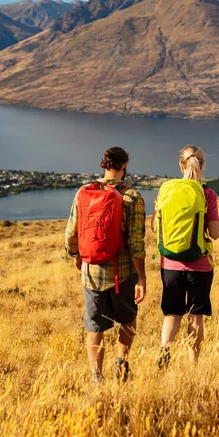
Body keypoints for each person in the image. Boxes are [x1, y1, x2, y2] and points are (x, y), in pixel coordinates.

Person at [65, 147, 146, 383]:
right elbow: (136, 244)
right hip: (122, 276)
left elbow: (72, 231)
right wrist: (141, 277)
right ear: (124, 167)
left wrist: (76, 255)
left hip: (91, 273)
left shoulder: (84, 192)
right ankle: (121, 364)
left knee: (94, 326)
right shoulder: (132, 198)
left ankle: (96, 376)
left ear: (104, 165)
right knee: (128, 321)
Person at [152, 145, 219, 366]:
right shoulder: (207, 194)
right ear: (202, 165)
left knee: (171, 313)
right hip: (199, 266)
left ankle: (164, 349)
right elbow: (216, 233)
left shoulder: (165, 190)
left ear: (181, 165)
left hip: (170, 264)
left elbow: (155, 227)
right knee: (195, 316)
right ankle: (193, 364)